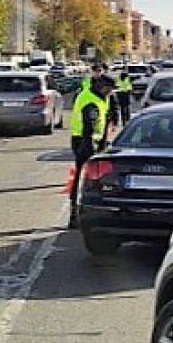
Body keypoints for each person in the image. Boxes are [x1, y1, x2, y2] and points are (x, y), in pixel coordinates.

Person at [69, 74, 115, 228]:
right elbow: (90, 126)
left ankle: (81, 212)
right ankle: (75, 215)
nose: (110, 93)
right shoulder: (90, 100)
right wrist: (93, 149)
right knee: (83, 178)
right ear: (102, 87)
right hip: (84, 141)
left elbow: (103, 119)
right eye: (109, 89)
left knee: (86, 178)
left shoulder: (100, 96)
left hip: (93, 140)